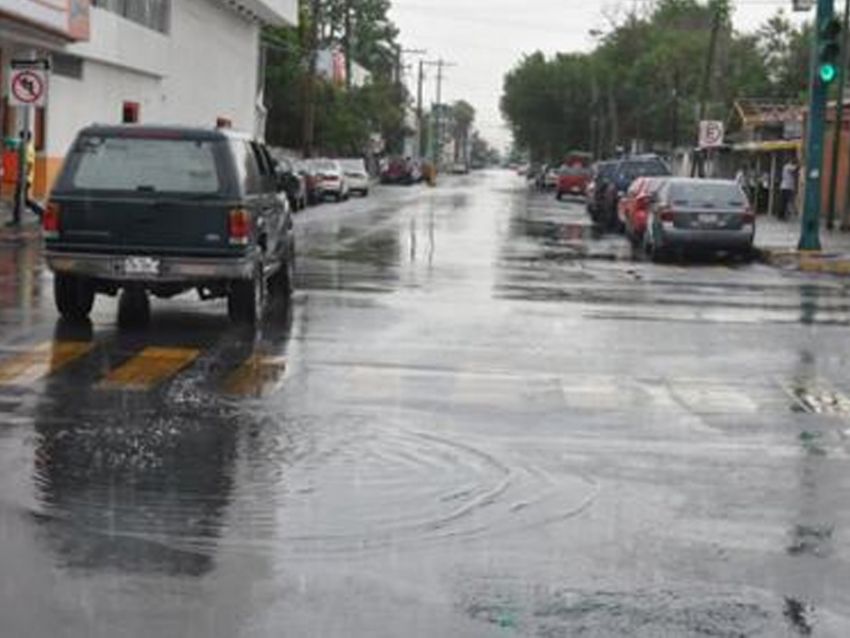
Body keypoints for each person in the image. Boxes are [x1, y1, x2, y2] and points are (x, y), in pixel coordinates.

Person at [10, 131, 43, 226]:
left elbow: (29, 164)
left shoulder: (28, 149)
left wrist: (23, 177)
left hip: (25, 178)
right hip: (24, 177)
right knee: (24, 199)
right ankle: (41, 213)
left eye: (21, 138)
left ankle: (16, 220)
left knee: (18, 198)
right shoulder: (25, 147)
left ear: (26, 138)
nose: (20, 140)